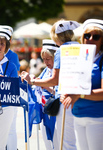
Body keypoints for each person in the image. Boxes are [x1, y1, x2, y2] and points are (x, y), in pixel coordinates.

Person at [21, 19, 80, 150]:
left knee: (65, 143)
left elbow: (55, 80)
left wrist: (33, 81)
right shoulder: (79, 47)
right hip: (80, 99)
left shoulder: (61, 50)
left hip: (65, 99)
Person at [60, 19, 103, 150]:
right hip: (77, 114)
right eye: (87, 35)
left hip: (97, 117)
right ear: (82, 38)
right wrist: (65, 93)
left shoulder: (102, 60)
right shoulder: (77, 57)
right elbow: (70, 84)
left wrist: (79, 94)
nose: (90, 39)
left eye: (96, 36)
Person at [0, 25, 20, 150]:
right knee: (1, 129)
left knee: (10, 128)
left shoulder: (12, 56)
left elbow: (15, 77)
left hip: (9, 96)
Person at [37, 39, 59, 150]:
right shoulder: (46, 70)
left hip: (56, 111)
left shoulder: (60, 71)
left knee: (57, 142)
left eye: (48, 59)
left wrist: (44, 85)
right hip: (46, 110)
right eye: (44, 59)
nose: (46, 62)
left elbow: (58, 92)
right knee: (47, 143)